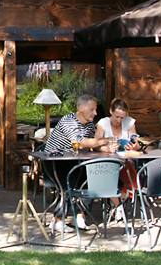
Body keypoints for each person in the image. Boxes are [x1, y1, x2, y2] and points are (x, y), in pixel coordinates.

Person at [43, 94, 111, 231]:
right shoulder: (68, 121)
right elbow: (80, 143)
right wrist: (104, 140)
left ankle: (79, 218)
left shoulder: (89, 125)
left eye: (95, 109)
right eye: (92, 109)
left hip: (75, 162)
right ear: (81, 108)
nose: (95, 113)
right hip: (54, 163)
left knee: (92, 178)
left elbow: (93, 145)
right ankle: (57, 221)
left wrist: (107, 148)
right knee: (70, 182)